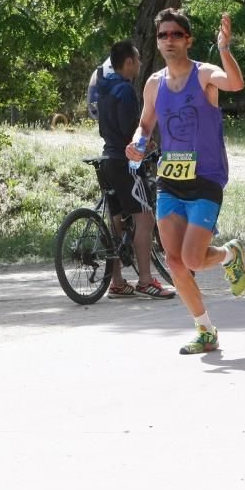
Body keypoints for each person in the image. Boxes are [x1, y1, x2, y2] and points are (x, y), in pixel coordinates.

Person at [126, 8, 245, 355]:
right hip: (170, 180)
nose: (168, 40)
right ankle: (205, 330)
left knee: (193, 259)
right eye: (162, 35)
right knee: (176, 261)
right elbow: (146, 125)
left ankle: (228, 255)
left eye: (175, 34)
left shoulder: (204, 74)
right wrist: (138, 143)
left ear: (188, 39)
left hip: (207, 177)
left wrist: (224, 48)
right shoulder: (154, 83)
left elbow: (236, 83)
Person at [96, 40, 175, 300]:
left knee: (116, 220)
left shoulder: (104, 89)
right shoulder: (126, 90)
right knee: (145, 219)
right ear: (128, 62)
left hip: (107, 158)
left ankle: (117, 282)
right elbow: (133, 128)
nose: (140, 65)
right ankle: (144, 280)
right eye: (138, 60)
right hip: (127, 162)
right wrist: (148, 143)